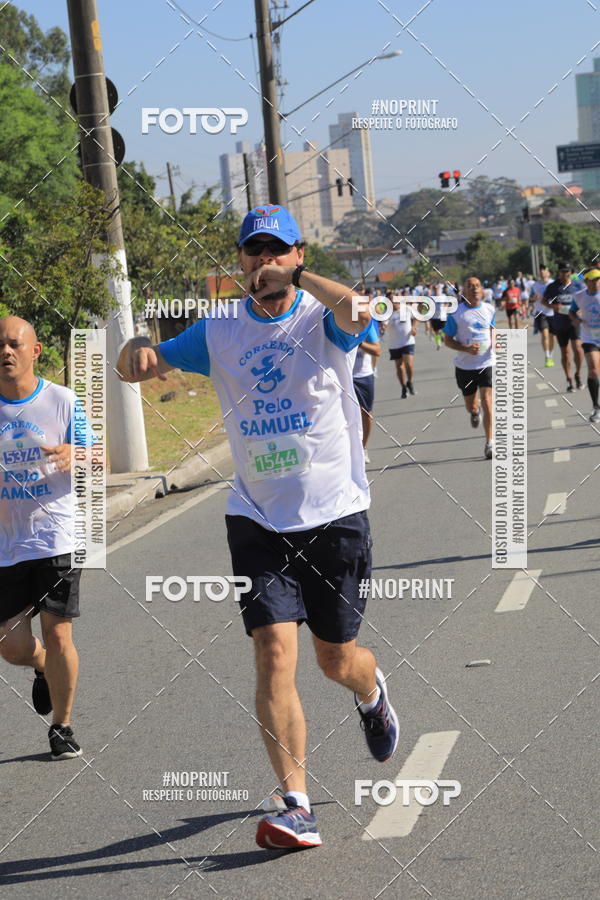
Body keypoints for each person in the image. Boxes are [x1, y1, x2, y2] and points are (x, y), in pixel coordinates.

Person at [117, 204, 399, 851]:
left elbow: (361, 311)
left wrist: (304, 285)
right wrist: (134, 351)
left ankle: (372, 692)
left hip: (335, 515)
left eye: (277, 251)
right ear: (240, 262)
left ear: (298, 256)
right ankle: (296, 803)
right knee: (274, 652)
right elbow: (136, 367)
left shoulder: (321, 318)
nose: (263, 262)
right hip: (258, 520)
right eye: (253, 252)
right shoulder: (219, 332)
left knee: (336, 660)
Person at [0, 316, 93, 760]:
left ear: (34, 351)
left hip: (55, 536)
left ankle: (62, 725)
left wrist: (77, 453)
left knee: (58, 635)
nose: (5, 352)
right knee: (12, 646)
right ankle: (41, 667)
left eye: (14, 344)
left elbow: (100, 458)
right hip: (5, 543)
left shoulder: (62, 401)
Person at [443, 277, 495, 459]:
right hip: (465, 366)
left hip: (486, 363)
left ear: (482, 290)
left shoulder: (489, 309)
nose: (474, 289)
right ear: (464, 291)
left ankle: (490, 443)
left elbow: (492, 329)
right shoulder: (456, 313)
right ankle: (474, 411)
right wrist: (465, 348)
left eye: (477, 286)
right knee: (471, 404)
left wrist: (496, 343)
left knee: (487, 399)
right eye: (470, 286)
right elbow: (447, 340)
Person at [542, 263, 584, 392]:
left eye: (567, 271)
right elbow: (544, 301)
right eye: (562, 271)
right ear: (558, 272)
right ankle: (569, 379)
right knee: (565, 353)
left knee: (577, 349)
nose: (565, 274)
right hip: (559, 323)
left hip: (574, 322)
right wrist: (553, 307)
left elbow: (585, 300)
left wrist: (581, 310)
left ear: (571, 272)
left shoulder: (577, 285)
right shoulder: (553, 287)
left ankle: (577, 374)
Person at [569, 268, 600, 422]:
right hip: (590, 337)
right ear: (586, 281)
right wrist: (574, 319)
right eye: (594, 279)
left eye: (599, 279)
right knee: (593, 369)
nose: (597, 282)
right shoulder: (579, 296)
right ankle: (596, 407)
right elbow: (572, 311)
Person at [353, 318, 381, 463]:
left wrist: (360, 343)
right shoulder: (334, 323)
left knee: (366, 413)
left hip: (363, 375)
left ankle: (363, 447)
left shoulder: (365, 325)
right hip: (342, 375)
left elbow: (377, 350)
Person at [387, 295, 418, 396]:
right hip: (394, 344)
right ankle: (403, 387)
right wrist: (383, 326)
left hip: (407, 341)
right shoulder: (387, 314)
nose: (393, 302)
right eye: (390, 300)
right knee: (399, 367)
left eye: (394, 299)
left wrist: (414, 328)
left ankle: (410, 382)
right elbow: (383, 325)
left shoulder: (407, 309)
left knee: (408, 364)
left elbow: (417, 317)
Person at [532, 265, 555, 366]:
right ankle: (547, 356)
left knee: (552, 337)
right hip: (541, 313)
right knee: (545, 334)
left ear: (548, 273)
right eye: (541, 271)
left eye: (544, 271)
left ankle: (551, 353)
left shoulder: (553, 283)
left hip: (553, 313)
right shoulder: (535, 285)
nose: (542, 273)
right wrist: (534, 297)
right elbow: (530, 298)